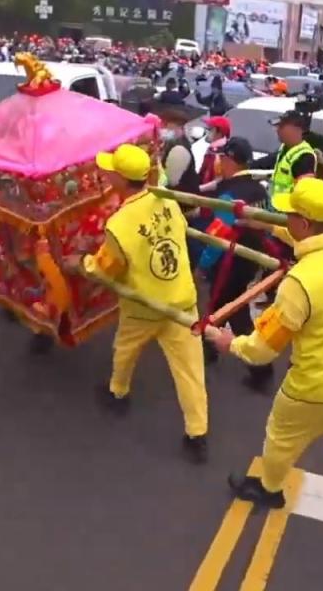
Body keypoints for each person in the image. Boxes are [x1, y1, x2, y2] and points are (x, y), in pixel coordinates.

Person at [209, 178, 323, 579]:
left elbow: (263, 348)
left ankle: (270, 489)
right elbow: (312, 240)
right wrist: (267, 224)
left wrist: (228, 343)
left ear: (306, 224)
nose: (286, 218)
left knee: (280, 436)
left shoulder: (300, 283)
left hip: (315, 390)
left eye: (289, 214)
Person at [81, 144, 209, 463]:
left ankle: (118, 393)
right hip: (182, 299)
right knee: (190, 371)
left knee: (125, 350)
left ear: (120, 179)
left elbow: (105, 268)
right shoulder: (166, 201)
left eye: (110, 170)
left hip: (145, 304)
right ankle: (198, 433)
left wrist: (80, 263)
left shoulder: (120, 223)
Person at [197, 137, 271, 389]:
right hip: (252, 258)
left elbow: (217, 236)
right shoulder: (259, 189)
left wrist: (203, 265)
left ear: (229, 160)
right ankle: (209, 349)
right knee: (224, 307)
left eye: (221, 158)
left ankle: (260, 367)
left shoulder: (230, 195)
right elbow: (268, 224)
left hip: (230, 260)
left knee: (233, 311)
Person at [251, 108, 316, 209]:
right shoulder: (284, 148)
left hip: (286, 213)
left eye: (281, 126)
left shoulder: (304, 156)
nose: (277, 130)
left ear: (296, 129)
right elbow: (266, 164)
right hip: (274, 207)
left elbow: (302, 195)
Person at [153, 102, 200, 194]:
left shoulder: (179, 149)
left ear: (179, 127)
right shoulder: (170, 143)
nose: (162, 129)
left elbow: (171, 181)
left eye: (165, 125)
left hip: (183, 204)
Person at [197, 116, 231, 186]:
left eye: (210, 129)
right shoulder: (212, 150)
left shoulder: (219, 154)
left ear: (219, 132)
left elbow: (215, 179)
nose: (207, 132)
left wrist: (200, 188)